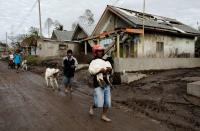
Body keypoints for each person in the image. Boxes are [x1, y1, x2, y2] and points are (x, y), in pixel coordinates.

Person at [89, 44, 112, 122]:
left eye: (101, 51)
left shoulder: (106, 61)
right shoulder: (93, 62)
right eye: (99, 51)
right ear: (95, 52)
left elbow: (110, 71)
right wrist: (99, 70)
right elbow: (91, 71)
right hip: (98, 83)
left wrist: (109, 70)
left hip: (106, 83)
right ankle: (92, 107)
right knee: (99, 102)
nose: (100, 52)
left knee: (107, 102)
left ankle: (104, 116)